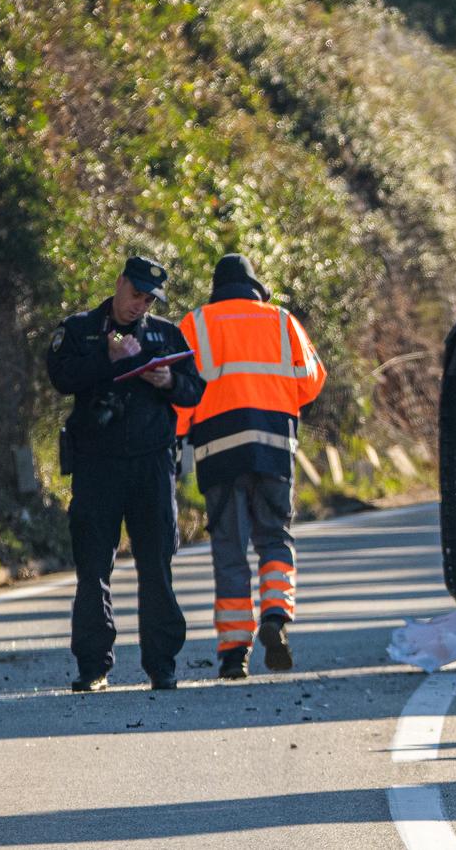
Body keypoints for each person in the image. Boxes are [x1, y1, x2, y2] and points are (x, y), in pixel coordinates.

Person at [46, 257, 205, 692]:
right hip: (97, 464)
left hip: (151, 464)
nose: (140, 305)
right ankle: (93, 666)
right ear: (119, 284)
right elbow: (60, 377)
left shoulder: (164, 334)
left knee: (156, 566)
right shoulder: (81, 330)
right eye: (136, 294)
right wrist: (106, 356)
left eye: (149, 299)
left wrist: (167, 380)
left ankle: (162, 666)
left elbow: (195, 390)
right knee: (93, 567)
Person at [175, 255, 326, 679]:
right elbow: (313, 379)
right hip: (274, 445)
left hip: (219, 451)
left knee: (229, 551)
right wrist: (280, 401)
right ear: (257, 286)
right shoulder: (282, 321)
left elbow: (181, 391)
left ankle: (233, 652)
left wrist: (182, 434)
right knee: (275, 539)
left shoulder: (197, 324)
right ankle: (275, 615)